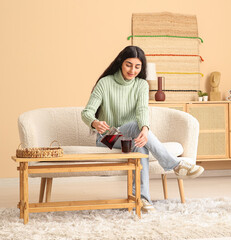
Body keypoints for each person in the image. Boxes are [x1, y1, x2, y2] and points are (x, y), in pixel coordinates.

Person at [81, 46, 204, 212]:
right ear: (120, 63)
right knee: (134, 127)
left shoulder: (141, 85)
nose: (133, 70)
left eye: (137, 66)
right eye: (128, 65)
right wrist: (95, 123)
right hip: (107, 139)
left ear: (142, 67)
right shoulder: (105, 83)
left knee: (141, 143)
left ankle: (142, 200)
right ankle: (175, 164)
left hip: (129, 139)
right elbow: (87, 112)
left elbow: (142, 110)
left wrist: (145, 130)